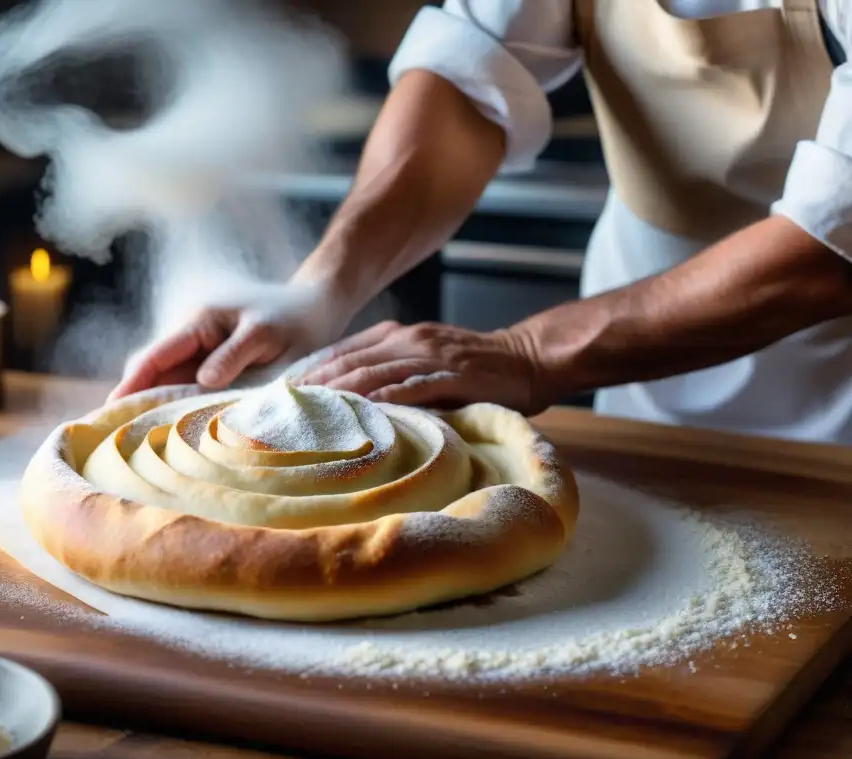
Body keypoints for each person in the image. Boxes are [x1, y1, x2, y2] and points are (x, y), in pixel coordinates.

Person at [110, 0, 852, 445]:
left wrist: (530, 353)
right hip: (643, 388)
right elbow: (467, 80)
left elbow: (832, 243)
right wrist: (321, 287)